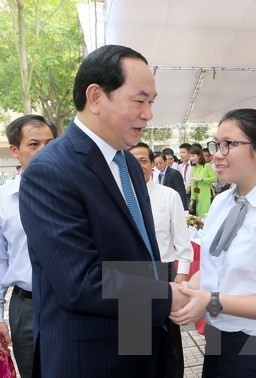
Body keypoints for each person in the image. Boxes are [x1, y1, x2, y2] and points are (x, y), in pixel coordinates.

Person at [18, 45, 188, 378]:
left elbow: (135, 255)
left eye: (151, 102)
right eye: (139, 101)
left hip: (139, 339)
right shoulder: (51, 170)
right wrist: (166, 296)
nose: (148, 114)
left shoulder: (125, 161)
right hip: (93, 359)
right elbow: (79, 281)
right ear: (95, 96)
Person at [170, 108, 256, 378]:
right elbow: (215, 266)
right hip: (219, 334)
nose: (217, 154)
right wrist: (186, 289)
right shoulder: (222, 202)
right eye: (216, 144)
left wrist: (212, 301)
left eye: (229, 145)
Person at [130, 142, 194, 378]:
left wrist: (181, 275)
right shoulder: (116, 197)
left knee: (169, 344)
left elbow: (183, 242)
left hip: (163, 274)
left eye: (143, 160)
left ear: (152, 164)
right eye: (131, 160)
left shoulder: (168, 196)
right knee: (135, 345)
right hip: (130, 276)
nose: (138, 166)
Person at [0, 115, 57, 378]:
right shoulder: (4, 200)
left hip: (69, 302)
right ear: (15, 151)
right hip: (25, 306)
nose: (44, 150)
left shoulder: (74, 191)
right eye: (34, 144)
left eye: (50, 142)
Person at [188, 145, 217, 217]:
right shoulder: (193, 169)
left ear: (199, 156)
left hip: (207, 195)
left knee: (207, 217)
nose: (191, 158)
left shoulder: (206, 166)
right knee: (199, 219)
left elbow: (214, 179)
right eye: (190, 156)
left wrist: (202, 179)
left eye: (193, 156)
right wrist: (192, 200)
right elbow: (194, 186)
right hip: (198, 197)